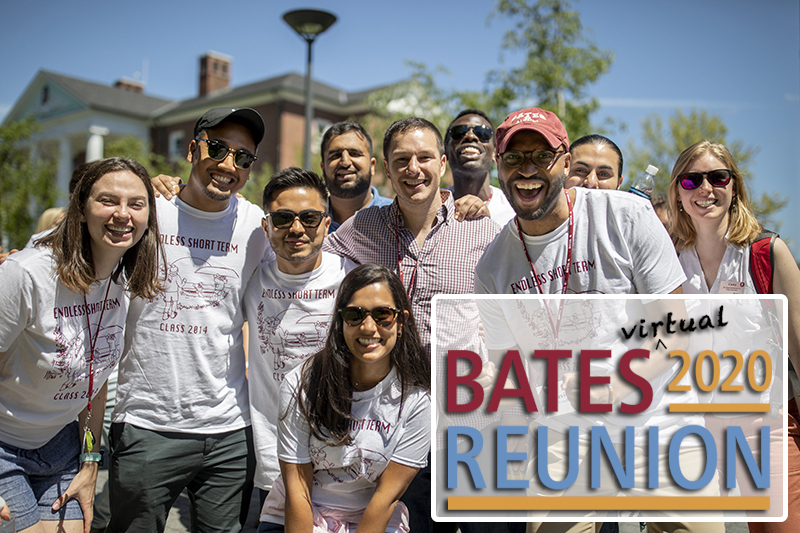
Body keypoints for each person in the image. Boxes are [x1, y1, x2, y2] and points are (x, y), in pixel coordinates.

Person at [473, 108, 726, 533]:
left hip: (658, 426)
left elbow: (673, 332)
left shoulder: (627, 216)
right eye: (514, 159)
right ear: (498, 167)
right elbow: (512, 368)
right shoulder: (492, 269)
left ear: (566, 162)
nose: (527, 170)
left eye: (542, 155)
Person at [324, 117, 500, 533]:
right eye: (401, 160)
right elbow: (309, 254)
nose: (412, 169)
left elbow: (511, 305)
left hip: (469, 421)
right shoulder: (363, 228)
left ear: (442, 164)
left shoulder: (481, 228)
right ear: (387, 169)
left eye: (423, 158)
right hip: (400, 428)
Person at [108, 107, 272, 533]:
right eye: (217, 148)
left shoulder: (257, 226)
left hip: (230, 432)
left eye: (243, 157)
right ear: (191, 150)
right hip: (149, 425)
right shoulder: (148, 213)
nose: (228, 164)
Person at [0, 157, 164, 533]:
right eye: (108, 201)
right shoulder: (26, 274)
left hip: (61, 446)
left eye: (136, 204)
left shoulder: (124, 280)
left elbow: (96, 380)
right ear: (80, 209)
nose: (122, 214)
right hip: (4, 442)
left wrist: (90, 461)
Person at [669, 140, 800, 533]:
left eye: (717, 177)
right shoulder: (666, 260)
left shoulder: (767, 253)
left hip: (765, 430)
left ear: (734, 186)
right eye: (691, 180)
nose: (705, 189)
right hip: (691, 435)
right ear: (677, 192)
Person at [258, 264, 431, 533]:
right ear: (341, 321)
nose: (369, 327)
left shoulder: (417, 401)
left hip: (371, 518)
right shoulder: (302, 384)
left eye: (383, 315)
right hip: (298, 515)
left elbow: (385, 500)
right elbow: (298, 489)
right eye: (355, 315)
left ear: (401, 322)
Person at [244, 166, 355, 507]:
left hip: (346, 460)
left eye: (309, 218)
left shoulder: (352, 278)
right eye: (282, 219)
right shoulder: (249, 278)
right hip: (273, 453)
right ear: (266, 226)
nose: (296, 229)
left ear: (325, 223)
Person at [320, 121, 393, 232]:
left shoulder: (398, 217)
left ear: (372, 165)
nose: (345, 162)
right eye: (335, 155)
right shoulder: (309, 222)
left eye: (354, 154)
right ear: (323, 168)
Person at [445, 109, 515, 225]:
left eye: (483, 132)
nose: (470, 136)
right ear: (446, 152)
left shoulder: (514, 208)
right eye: (458, 132)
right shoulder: (432, 205)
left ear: (495, 153)